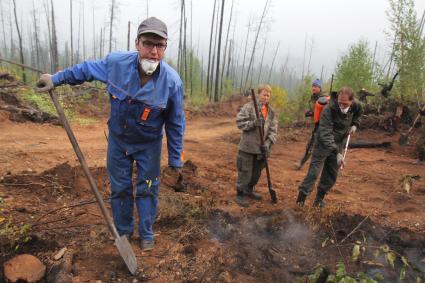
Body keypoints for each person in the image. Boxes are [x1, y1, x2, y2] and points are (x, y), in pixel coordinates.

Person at [36, 17, 185, 251]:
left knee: (147, 188)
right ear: (137, 43)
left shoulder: (172, 82)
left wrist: (175, 159)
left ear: (165, 47)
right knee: (120, 188)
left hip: (149, 146)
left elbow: (176, 123)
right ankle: (124, 232)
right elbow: (85, 70)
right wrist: (55, 79)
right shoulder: (116, 64)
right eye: (148, 44)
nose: (153, 52)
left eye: (160, 46)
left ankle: (146, 233)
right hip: (118, 142)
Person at [296, 86, 362, 208]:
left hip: (339, 143)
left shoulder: (356, 105)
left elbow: (358, 114)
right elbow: (325, 133)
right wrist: (337, 152)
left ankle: (319, 200)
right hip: (322, 143)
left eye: (345, 103)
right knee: (314, 173)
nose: (341, 105)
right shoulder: (329, 109)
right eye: (340, 102)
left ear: (351, 101)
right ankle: (301, 199)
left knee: (331, 174)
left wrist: (355, 124)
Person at [235, 84, 278, 207]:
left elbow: (274, 130)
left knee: (256, 173)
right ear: (259, 94)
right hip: (247, 147)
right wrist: (253, 123)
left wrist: (268, 143)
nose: (266, 97)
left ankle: (249, 190)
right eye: (264, 94)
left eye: (268, 95)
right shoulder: (248, 107)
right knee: (245, 171)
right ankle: (240, 194)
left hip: (262, 149)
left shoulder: (271, 112)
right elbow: (239, 122)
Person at [294, 79, 329, 170]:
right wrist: (310, 112)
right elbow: (315, 110)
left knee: (314, 144)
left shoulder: (324, 98)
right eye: (313, 86)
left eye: (315, 86)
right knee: (313, 144)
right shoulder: (313, 97)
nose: (313, 88)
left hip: (324, 125)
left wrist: (313, 113)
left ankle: (301, 163)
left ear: (319, 88)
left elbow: (326, 111)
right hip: (317, 124)